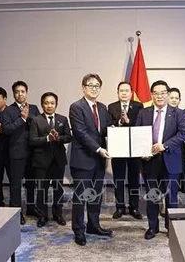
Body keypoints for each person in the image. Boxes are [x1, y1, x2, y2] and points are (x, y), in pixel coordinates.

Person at [136, 80, 185, 240]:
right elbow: (137, 134)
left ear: (168, 94)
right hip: (149, 161)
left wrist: (164, 145)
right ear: (151, 95)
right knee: (152, 196)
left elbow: (182, 134)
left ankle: (171, 228)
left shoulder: (179, 113)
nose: (159, 96)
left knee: (171, 197)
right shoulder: (143, 113)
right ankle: (152, 227)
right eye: (156, 93)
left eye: (163, 92)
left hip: (170, 159)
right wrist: (141, 152)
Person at [69, 73, 112, 246]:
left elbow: (107, 130)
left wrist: (121, 127)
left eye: (97, 86)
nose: (94, 88)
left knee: (95, 196)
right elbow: (81, 132)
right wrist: (99, 149)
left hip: (99, 161)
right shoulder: (76, 107)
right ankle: (79, 230)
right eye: (90, 85)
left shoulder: (102, 107)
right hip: (83, 160)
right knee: (80, 197)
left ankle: (93, 225)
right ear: (83, 88)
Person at [29, 92, 72, 227]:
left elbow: (69, 137)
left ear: (56, 104)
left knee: (58, 189)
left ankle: (57, 214)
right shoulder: (36, 120)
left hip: (58, 160)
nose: (49, 105)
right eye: (46, 103)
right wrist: (48, 138)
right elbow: (32, 140)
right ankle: (42, 215)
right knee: (42, 189)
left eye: (52, 103)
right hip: (41, 161)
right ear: (42, 104)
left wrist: (58, 138)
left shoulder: (63, 119)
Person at [2, 81, 40, 225]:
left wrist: (28, 117)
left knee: (31, 183)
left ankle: (31, 207)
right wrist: (22, 118)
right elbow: (7, 129)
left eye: (23, 91)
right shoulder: (8, 110)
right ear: (13, 94)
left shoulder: (34, 108)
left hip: (33, 152)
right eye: (17, 92)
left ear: (27, 92)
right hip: (16, 152)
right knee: (16, 184)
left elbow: (37, 123)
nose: (20, 94)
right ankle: (16, 212)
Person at [107, 81, 143, 220]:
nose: (124, 93)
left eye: (126, 90)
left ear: (131, 92)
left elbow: (141, 125)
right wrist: (120, 122)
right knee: (119, 179)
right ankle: (120, 207)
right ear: (117, 92)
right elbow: (108, 126)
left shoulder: (138, 106)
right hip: (119, 147)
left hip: (134, 148)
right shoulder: (112, 107)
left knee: (134, 179)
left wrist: (129, 121)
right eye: (121, 90)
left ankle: (134, 207)